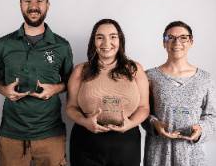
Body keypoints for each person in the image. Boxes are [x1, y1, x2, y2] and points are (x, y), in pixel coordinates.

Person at [0, 0, 73, 166]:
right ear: (20, 4)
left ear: (48, 5)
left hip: (50, 134)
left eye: (39, 0)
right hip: (11, 135)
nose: (33, 6)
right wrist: (4, 90)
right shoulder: (4, 44)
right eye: (27, 0)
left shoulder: (62, 46)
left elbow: (71, 81)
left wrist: (56, 88)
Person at [66, 18, 149, 166]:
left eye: (113, 37)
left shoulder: (135, 69)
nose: (106, 43)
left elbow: (144, 108)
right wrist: (85, 122)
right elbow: (71, 107)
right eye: (100, 37)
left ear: (120, 40)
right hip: (86, 142)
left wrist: (130, 124)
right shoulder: (80, 70)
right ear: (93, 42)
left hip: (126, 143)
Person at [143, 21, 216, 166]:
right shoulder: (149, 76)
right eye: (170, 37)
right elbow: (142, 112)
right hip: (159, 153)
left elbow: (212, 116)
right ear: (164, 42)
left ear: (191, 42)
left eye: (183, 37)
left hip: (192, 155)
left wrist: (200, 130)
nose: (177, 42)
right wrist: (154, 124)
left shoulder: (205, 79)